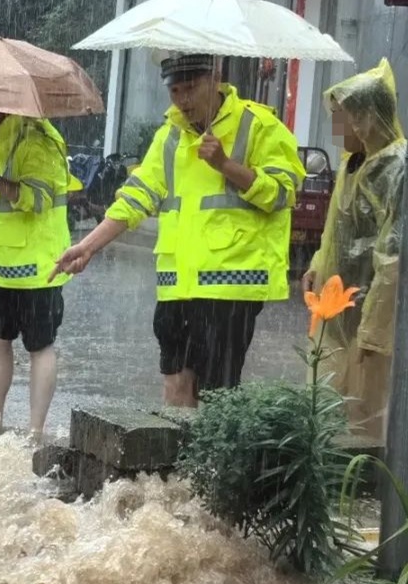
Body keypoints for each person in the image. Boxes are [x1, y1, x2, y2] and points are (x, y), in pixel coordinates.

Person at [52, 54, 305, 407]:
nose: (183, 100)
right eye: (174, 91)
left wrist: (226, 166)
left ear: (215, 78)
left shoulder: (259, 125)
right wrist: (88, 246)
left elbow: (283, 193)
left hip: (230, 286)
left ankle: (207, 462)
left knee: (219, 394)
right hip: (177, 284)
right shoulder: (169, 136)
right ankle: (176, 460)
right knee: (175, 384)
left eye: (191, 88)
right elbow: (136, 197)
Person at [303, 58, 408, 440]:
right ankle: (332, 485)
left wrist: (375, 329)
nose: (337, 128)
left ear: (366, 117)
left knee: (364, 414)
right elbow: (337, 229)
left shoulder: (401, 168)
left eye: (342, 118)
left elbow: (397, 257)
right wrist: (318, 262)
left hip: (373, 313)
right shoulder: (354, 163)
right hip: (341, 309)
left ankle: (364, 489)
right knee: (326, 403)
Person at [0, 108, 71, 442]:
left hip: (38, 268)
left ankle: (35, 432)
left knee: (39, 345)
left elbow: (38, 199)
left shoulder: (37, 142)